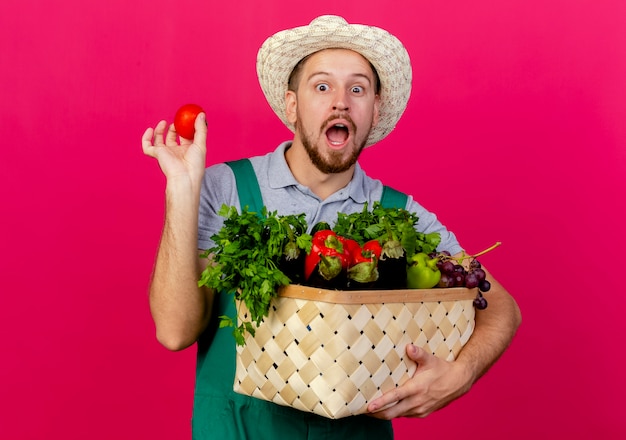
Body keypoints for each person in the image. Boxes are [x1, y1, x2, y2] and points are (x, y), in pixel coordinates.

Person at [142, 15, 521, 440]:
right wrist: (181, 189)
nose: (340, 101)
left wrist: (459, 375)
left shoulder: (400, 216)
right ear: (292, 105)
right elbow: (175, 332)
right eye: (322, 87)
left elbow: (503, 308)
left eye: (357, 89)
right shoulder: (224, 188)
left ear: (374, 110)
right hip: (236, 429)